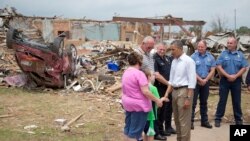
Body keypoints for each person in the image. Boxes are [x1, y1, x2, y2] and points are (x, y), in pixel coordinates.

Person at [121, 51, 164, 141]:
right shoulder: (139, 74)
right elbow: (146, 91)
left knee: (128, 129)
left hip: (127, 103)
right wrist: (157, 100)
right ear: (139, 61)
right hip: (139, 106)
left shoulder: (126, 72)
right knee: (135, 132)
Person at [164, 40, 196, 141]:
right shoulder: (174, 61)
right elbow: (171, 81)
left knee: (184, 121)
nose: (171, 52)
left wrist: (188, 98)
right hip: (175, 92)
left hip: (185, 91)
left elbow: (192, 81)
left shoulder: (188, 61)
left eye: (173, 49)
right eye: (171, 49)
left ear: (180, 49)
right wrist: (166, 95)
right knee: (177, 120)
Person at [136, 36, 166, 140]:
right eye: (149, 47)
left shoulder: (149, 54)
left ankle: (152, 132)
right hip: (144, 89)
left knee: (151, 114)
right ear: (143, 44)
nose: (150, 49)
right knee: (147, 117)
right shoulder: (137, 54)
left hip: (150, 86)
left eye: (152, 47)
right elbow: (137, 72)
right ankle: (150, 133)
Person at [214, 37, 248, 127]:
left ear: (235, 44)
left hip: (236, 81)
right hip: (224, 81)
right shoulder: (223, 54)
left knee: (237, 101)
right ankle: (218, 118)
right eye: (228, 43)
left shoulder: (240, 55)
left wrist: (235, 76)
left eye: (231, 43)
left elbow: (244, 67)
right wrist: (228, 76)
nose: (228, 44)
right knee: (222, 100)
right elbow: (218, 66)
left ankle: (238, 119)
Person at [190, 40, 216, 129]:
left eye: (202, 47)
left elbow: (213, 69)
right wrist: (200, 79)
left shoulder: (211, 57)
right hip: (195, 82)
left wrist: (206, 79)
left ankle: (204, 121)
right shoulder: (193, 56)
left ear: (206, 47)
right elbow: (191, 70)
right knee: (192, 103)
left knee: (204, 102)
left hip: (206, 82)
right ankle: (190, 122)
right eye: (199, 46)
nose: (200, 48)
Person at [154, 43, 176, 136]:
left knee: (168, 108)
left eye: (163, 49)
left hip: (168, 87)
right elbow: (157, 75)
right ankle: (157, 131)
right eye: (160, 49)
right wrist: (168, 84)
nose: (162, 51)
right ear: (156, 49)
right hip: (160, 87)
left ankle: (166, 128)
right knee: (159, 109)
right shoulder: (154, 59)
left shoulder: (167, 58)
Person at [142, 68, 167, 141]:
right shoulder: (153, 88)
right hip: (151, 116)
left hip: (142, 115)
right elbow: (158, 103)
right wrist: (163, 99)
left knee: (145, 133)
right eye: (153, 75)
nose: (154, 76)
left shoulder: (141, 88)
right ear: (149, 77)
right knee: (151, 134)